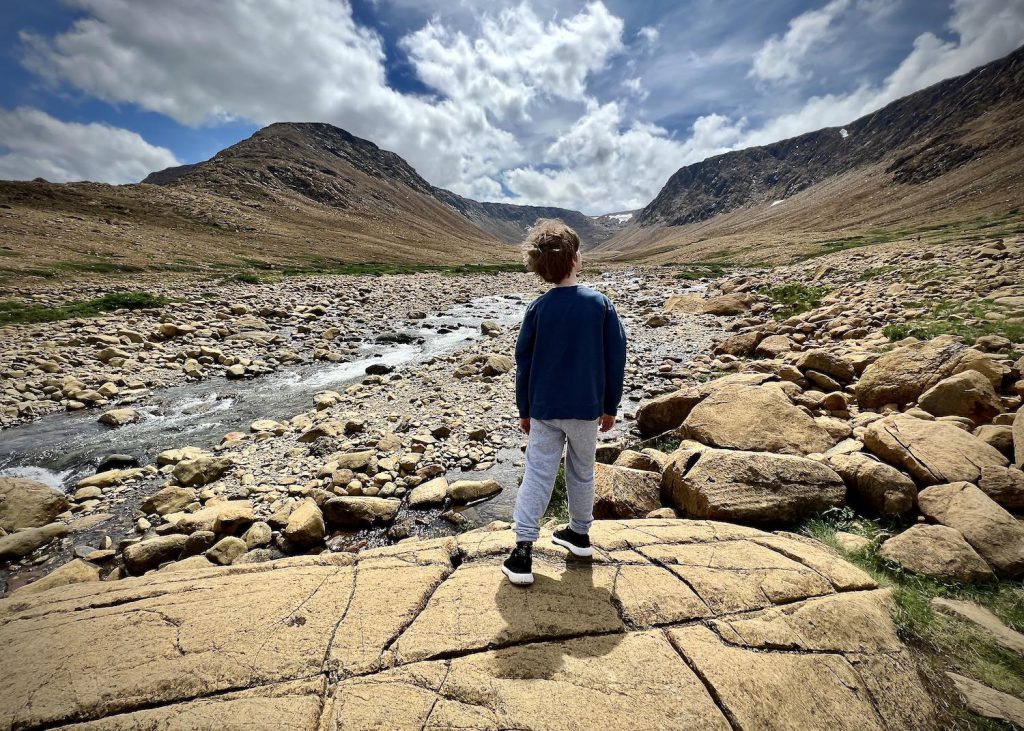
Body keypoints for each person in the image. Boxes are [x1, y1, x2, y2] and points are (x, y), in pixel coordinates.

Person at [502, 219, 627, 586]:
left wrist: (525, 408)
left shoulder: (537, 309)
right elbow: (614, 358)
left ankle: (523, 551)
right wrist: (610, 405)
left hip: (544, 409)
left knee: (538, 473)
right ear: (574, 260)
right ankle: (579, 535)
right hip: (588, 408)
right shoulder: (600, 304)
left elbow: (522, 362)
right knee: (582, 470)